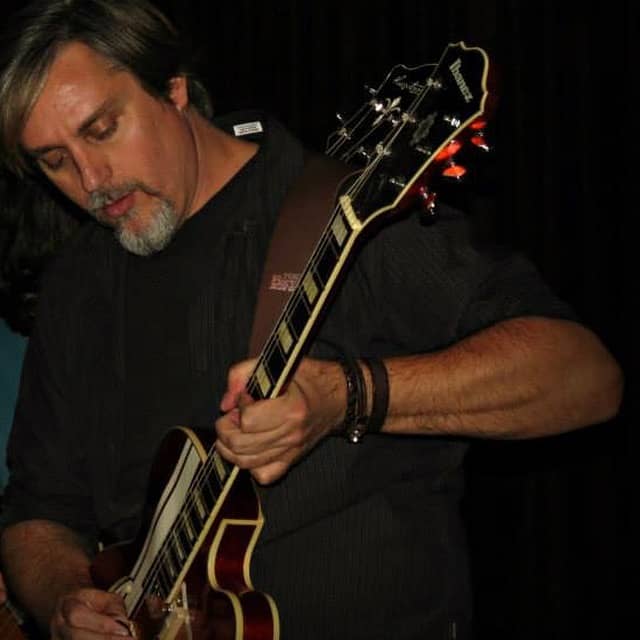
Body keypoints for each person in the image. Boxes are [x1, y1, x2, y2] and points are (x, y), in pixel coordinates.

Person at [0, 1, 623, 639]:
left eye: (102, 128)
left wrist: (347, 395)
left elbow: (583, 377)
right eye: (53, 161)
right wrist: (64, 599)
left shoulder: (346, 212)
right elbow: (37, 508)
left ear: (173, 88)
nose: (90, 179)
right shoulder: (78, 282)